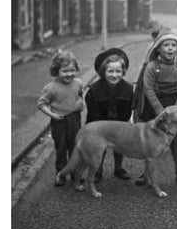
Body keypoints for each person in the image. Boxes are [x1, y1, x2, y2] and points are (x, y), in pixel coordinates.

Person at [133, 28, 177, 186]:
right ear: (158, 48)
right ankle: (146, 174)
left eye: (174, 45)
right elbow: (149, 89)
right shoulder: (152, 67)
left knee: (174, 141)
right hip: (155, 107)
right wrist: (161, 112)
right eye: (166, 45)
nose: (171, 48)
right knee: (150, 141)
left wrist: (176, 109)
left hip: (174, 106)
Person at [85, 48, 133, 182]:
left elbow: (127, 110)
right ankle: (98, 169)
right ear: (103, 72)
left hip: (119, 123)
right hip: (98, 124)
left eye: (118, 71)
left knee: (120, 145)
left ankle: (118, 167)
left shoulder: (128, 89)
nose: (114, 75)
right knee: (99, 148)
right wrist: (104, 128)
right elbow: (93, 113)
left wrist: (120, 125)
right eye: (110, 71)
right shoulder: (94, 90)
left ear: (123, 72)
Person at [38, 50, 83, 186]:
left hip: (75, 119)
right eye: (65, 71)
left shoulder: (78, 82)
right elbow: (41, 104)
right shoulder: (50, 88)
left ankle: (75, 172)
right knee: (61, 149)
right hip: (59, 121)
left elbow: (80, 94)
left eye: (72, 70)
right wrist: (52, 115)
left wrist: (81, 103)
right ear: (56, 70)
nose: (69, 74)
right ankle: (61, 174)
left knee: (75, 148)